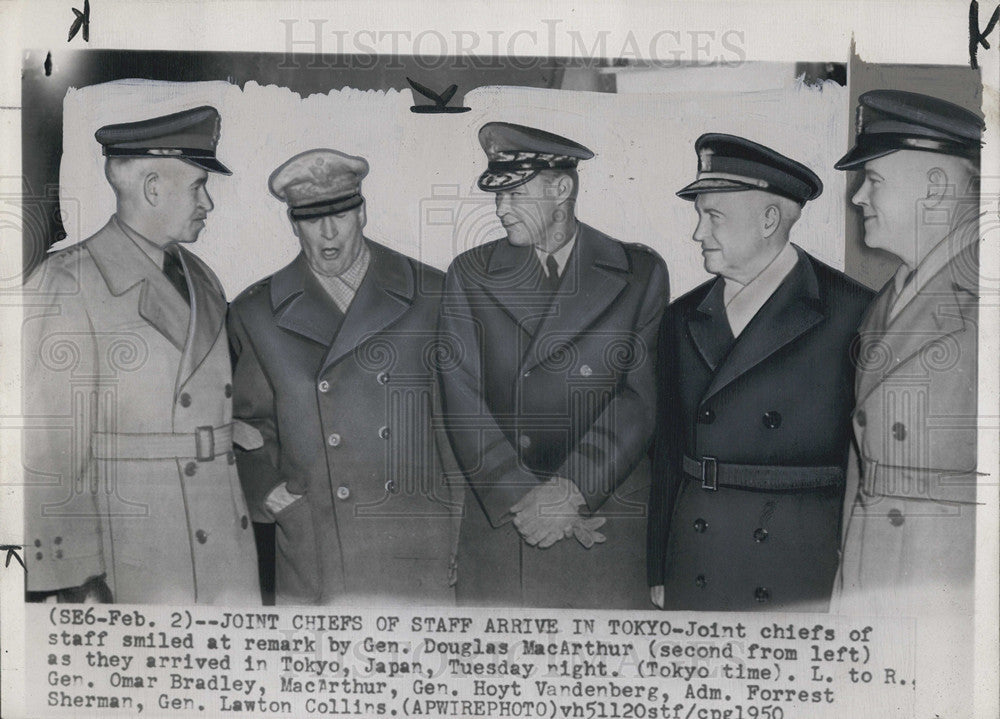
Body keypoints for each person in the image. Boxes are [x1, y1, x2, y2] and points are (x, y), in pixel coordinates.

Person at [22, 106, 260, 604]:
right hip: (135, 554)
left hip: (223, 542)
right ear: (153, 187)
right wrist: (75, 578)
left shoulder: (203, 278)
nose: (208, 203)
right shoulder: (68, 282)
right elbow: (49, 450)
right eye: (198, 186)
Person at [437, 122, 669, 608]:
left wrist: (572, 490)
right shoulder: (470, 273)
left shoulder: (638, 272)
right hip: (506, 517)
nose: (501, 210)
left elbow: (638, 400)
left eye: (516, 195)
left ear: (562, 189)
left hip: (596, 515)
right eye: (497, 197)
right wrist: (525, 499)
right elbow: (461, 397)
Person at [648, 134, 873, 612]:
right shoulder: (681, 316)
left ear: (769, 220)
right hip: (697, 555)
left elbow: (867, 464)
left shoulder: (853, 312)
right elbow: (666, 452)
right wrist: (658, 568)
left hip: (798, 564)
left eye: (715, 217)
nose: (698, 234)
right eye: (699, 215)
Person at [228, 148, 459, 605]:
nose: (329, 233)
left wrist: (460, 530)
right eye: (312, 219)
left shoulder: (432, 293)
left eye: (341, 215)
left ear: (363, 212)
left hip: (419, 547)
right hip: (318, 545)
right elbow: (248, 430)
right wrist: (274, 497)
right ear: (294, 224)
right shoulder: (256, 312)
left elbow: (463, 426)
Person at [831, 90, 982, 714]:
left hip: (950, 592)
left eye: (873, 178)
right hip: (877, 578)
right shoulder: (886, 300)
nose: (859, 196)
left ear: (938, 187)